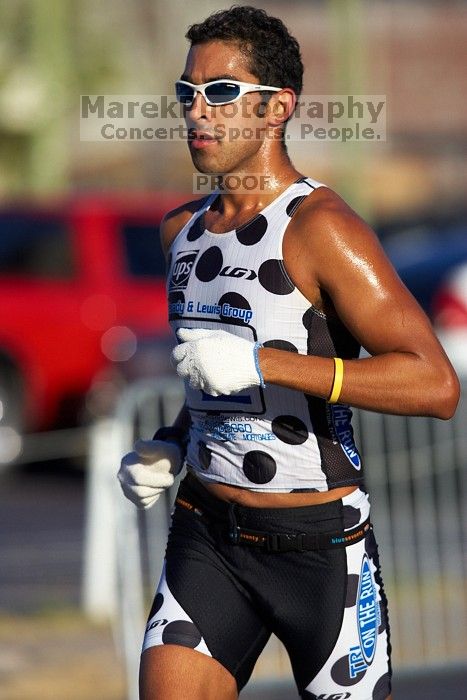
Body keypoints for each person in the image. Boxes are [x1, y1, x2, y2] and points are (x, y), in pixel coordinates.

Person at [118, 6, 460, 700]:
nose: (197, 112)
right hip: (207, 535)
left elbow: (434, 385)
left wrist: (264, 362)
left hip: (320, 551)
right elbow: (214, 382)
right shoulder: (180, 232)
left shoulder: (322, 230)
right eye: (187, 93)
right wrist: (171, 442)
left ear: (277, 108)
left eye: (220, 92)